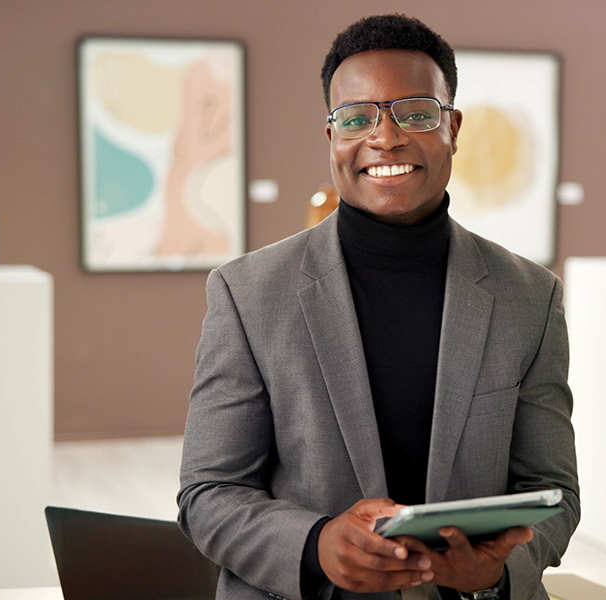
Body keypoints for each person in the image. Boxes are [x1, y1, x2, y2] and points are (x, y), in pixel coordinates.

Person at [177, 14, 579, 600]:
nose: (385, 138)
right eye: (357, 118)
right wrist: (316, 544)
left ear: (453, 127)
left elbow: (553, 491)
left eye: (415, 113)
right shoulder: (248, 293)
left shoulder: (529, 296)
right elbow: (208, 492)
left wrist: (497, 570)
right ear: (332, 137)